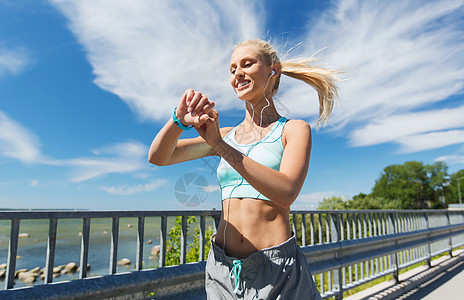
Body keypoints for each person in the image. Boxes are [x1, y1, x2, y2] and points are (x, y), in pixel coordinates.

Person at [148, 39, 339, 299]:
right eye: (232, 69)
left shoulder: (293, 129)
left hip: (276, 270)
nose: (237, 73)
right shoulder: (226, 135)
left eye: (247, 64)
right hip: (221, 269)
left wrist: (218, 144)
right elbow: (159, 157)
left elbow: (286, 192)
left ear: (274, 70)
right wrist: (178, 121)